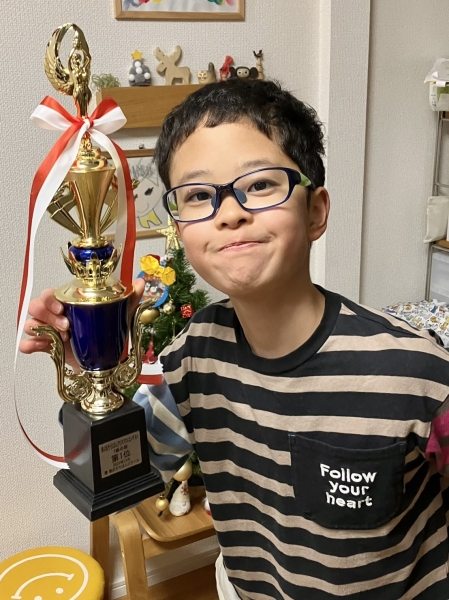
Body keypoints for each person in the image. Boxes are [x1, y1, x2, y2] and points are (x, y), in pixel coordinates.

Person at [20, 78, 449, 600]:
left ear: (315, 211)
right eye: (199, 195)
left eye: (261, 184)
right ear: (180, 230)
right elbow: (120, 468)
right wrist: (93, 373)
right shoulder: (190, 360)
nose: (229, 213)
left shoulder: (416, 373)